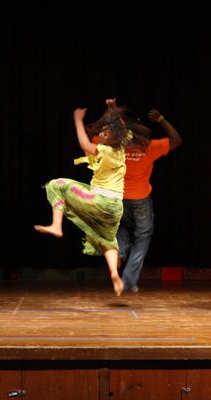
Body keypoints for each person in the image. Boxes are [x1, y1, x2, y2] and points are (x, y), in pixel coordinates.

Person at [34, 103, 142, 296]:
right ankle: (114, 274)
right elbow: (123, 127)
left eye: (106, 133)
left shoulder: (108, 151)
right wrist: (113, 109)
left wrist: (77, 120)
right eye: (102, 131)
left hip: (100, 199)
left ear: (114, 137)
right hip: (115, 208)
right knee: (108, 241)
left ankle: (57, 225)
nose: (101, 134)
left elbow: (85, 145)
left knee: (55, 185)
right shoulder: (122, 144)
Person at [93, 101, 182, 293]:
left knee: (122, 228)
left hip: (117, 197)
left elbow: (99, 135)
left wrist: (110, 111)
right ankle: (130, 280)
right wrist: (161, 120)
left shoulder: (112, 148)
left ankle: (119, 251)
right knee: (143, 235)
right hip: (141, 199)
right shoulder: (148, 147)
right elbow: (176, 140)